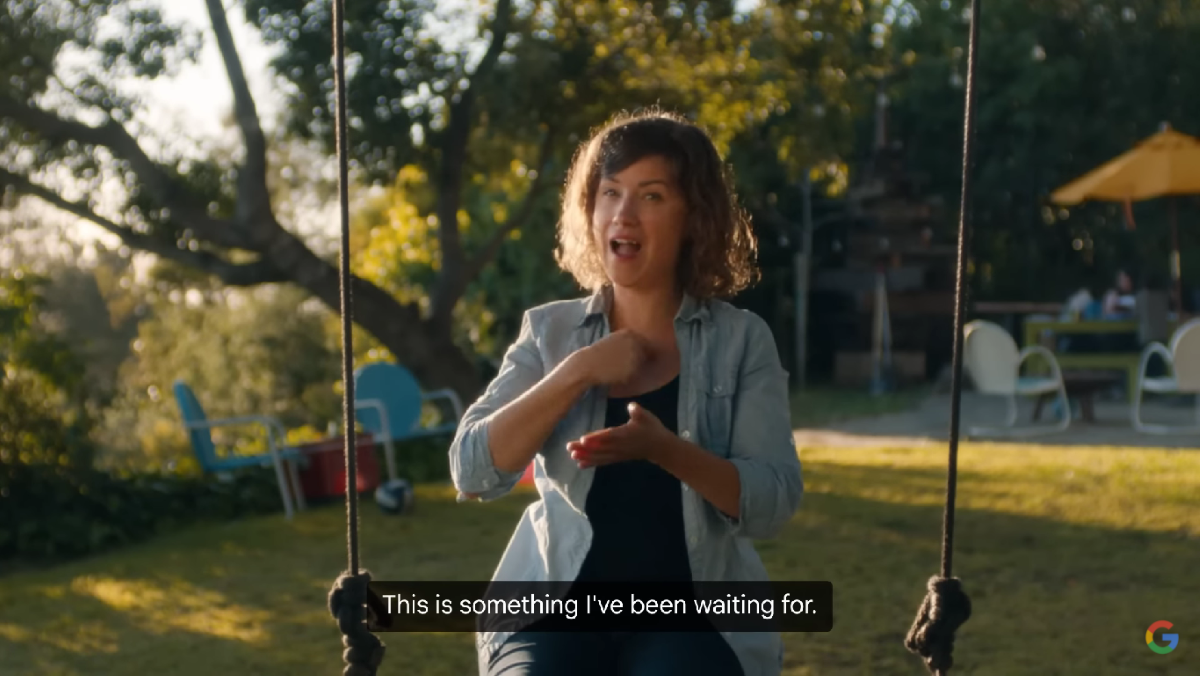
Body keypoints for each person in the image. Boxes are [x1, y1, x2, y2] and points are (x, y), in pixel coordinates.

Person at [449, 109, 804, 676]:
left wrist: (665, 450)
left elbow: (771, 503)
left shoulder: (742, 341)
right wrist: (578, 371)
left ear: (694, 216)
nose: (624, 213)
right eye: (609, 192)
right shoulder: (550, 333)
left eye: (652, 195)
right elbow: (472, 470)